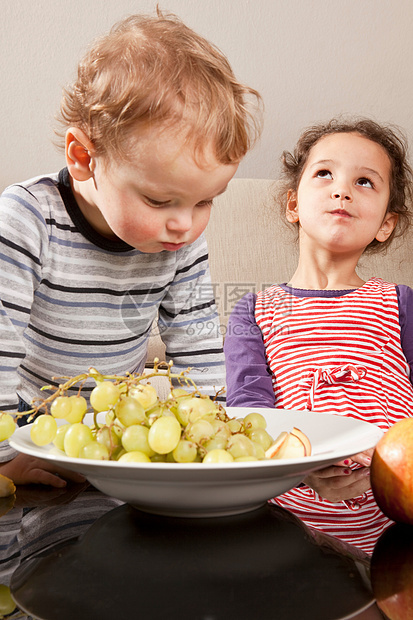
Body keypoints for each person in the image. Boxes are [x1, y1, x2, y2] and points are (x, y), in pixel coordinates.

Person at [0, 10, 261, 487]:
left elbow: (198, 344)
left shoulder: (179, 239)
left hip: (113, 444)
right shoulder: (28, 218)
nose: (185, 224)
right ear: (84, 158)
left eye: (205, 201)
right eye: (160, 200)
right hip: (28, 440)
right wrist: (3, 457)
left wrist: (213, 439)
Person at [224, 117, 413, 554]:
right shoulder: (253, 310)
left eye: (365, 181)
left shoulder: (400, 302)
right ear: (293, 205)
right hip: (289, 530)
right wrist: (298, 468)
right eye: (325, 173)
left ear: (386, 223)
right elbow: (250, 415)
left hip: (395, 531)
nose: (341, 189)